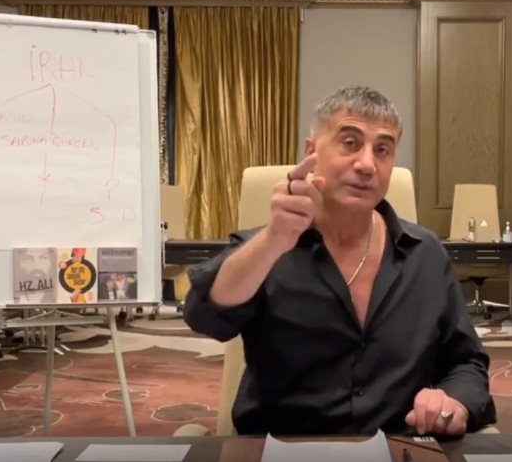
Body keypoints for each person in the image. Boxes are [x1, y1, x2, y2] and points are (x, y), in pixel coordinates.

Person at [184, 86, 495, 436]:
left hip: (399, 447)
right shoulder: (264, 250)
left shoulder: (425, 254)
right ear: (311, 152)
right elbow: (204, 316)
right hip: (285, 449)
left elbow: (467, 363)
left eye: (382, 150)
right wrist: (273, 240)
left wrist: (453, 402)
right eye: (350, 143)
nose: (367, 164)